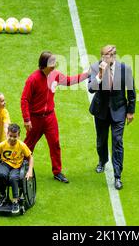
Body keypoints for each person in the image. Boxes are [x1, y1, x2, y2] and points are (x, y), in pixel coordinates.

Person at [21, 51, 89, 183]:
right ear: (43, 65)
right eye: (51, 63)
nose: (54, 65)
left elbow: (69, 81)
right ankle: (20, 167)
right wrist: (27, 119)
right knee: (28, 145)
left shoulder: (55, 75)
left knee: (55, 143)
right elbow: (24, 100)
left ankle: (57, 171)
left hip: (50, 117)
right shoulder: (33, 79)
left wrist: (86, 75)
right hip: (35, 118)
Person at [88, 45, 136, 190]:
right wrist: (101, 75)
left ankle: (117, 176)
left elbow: (131, 91)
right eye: (109, 55)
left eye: (114, 54)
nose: (113, 57)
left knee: (117, 142)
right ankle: (102, 161)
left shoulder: (124, 69)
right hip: (101, 111)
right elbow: (91, 88)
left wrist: (131, 111)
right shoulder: (96, 68)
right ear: (103, 57)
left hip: (119, 110)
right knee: (101, 140)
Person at [0, 123, 34, 214]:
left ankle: (15, 200)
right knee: (1, 174)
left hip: (17, 166)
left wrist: (30, 170)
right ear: (7, 134)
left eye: (15, 136)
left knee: (13, 178)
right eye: (10, 136)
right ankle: (2, 194)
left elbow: (30, 157)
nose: (12, 138)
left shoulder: (22, 145)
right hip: (5, 164)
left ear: (19, 136)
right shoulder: (2, 145)